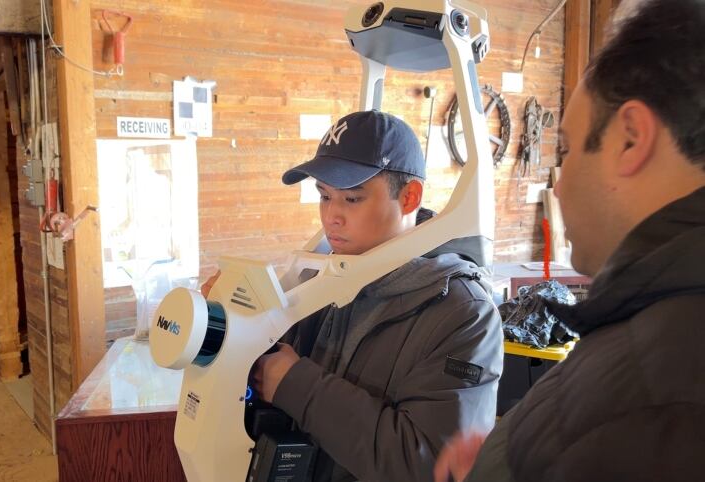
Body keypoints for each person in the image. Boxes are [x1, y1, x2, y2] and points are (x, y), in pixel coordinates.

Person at [434, 0, 705, 481]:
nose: (557, 186)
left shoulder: (661, 400)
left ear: (630, 140)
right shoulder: (648, 328)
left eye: (565, 147)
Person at [203, 110, 503, 481]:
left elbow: (432, 467)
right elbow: (269, 370)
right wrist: (227, 321)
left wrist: (298, 385)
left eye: (352, 199)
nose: (332, 217)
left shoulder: (464, 313)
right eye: (325, 196)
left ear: (409, 197)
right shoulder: (323, 276)